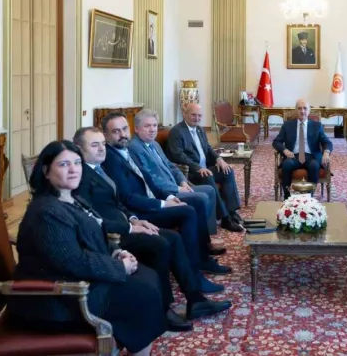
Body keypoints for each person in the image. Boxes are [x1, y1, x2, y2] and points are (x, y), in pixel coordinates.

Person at [7, 140, 178, 356]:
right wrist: (119, 267)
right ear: (46, 171)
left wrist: (116, 252)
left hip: (78, 283)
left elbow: (93, 235)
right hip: (57, 300)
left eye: (77, 163)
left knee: (148, 277)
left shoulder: (72, 198)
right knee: (142, 294)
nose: (73, 170)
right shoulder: (47, 212)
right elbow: (74, 261)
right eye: (64, 164)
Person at [74, 126, 233, 309]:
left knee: (174, 236)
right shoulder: (82, 175)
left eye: (102, 144)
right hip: (112, 235)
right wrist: (132, 226)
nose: (102, 149)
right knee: (163, 242)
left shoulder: (99, 168)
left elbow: (119, 202)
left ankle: (196, 299)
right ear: (79, 148)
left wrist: (134, 219)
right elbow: (94, 217)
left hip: (129, 220)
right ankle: (164, 307)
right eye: (95, 145)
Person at [100, 113, 231, 280]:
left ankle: (203, 253)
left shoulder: (129, 149)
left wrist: (170, 196)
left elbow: (151, 176)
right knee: (191, 208)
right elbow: (128, 198)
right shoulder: (117, 155)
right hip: (142, 209)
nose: (123, 134)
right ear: (106, 135)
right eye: (116, 131)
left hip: (157, 196)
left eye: (124, 129)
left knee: (196, 203)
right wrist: (164, 202)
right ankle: (197, 264)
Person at [127, 109, 220, 236]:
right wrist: (178, 188)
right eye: (147, 126)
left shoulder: (154, 144)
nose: (152, 129)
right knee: (201, 197)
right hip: (163, 192)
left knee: (210, 190)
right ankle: (201, 236)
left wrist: (182, 181)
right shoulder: (135, 147)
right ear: (137, 129)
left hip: (175, 185)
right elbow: (150, 178)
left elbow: (170, 165)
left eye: (154, 125)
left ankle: (208, 233)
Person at [166, 103, 245, 233]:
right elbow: (178, 155)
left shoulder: (200, 129)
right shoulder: (177, 131)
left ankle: (231, 211)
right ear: (185, 114)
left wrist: (219, 159)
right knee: (207, 175)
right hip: (189, 172)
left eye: (199, 116)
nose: (197, 118)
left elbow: (208, 148)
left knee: (227, 171)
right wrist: (197, 168)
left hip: (205, 168)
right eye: (193, 115)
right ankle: (225, 218)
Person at [272, 99, 333, 199]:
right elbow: (276, 142)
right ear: (296, 110)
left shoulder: (316, 126)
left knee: (314, 165)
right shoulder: (287, 125)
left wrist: (326, 152)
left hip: (311, 156)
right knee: (286, 165)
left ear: (309, 111)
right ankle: (287, 197)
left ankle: (309, 197)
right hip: (293, 155)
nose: (302, 111)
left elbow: (327, 142)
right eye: (299, 108)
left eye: (305, 108)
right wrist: (285, 150)